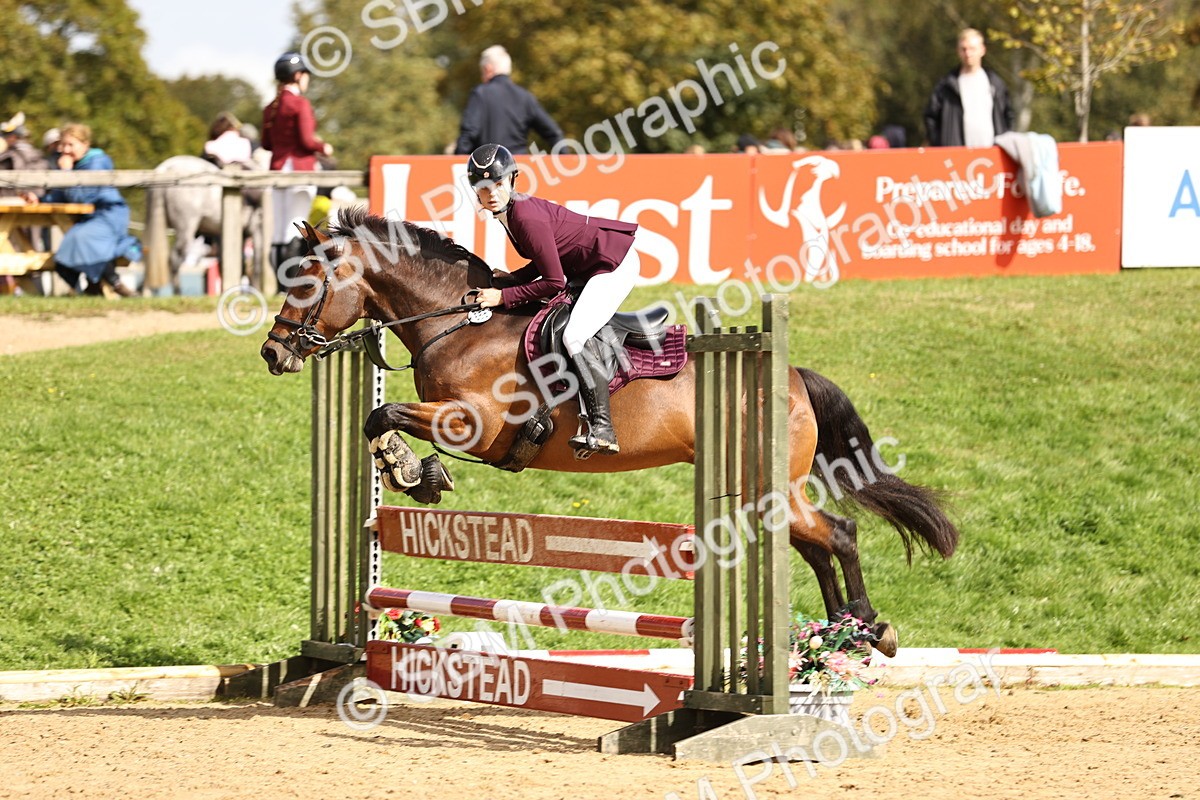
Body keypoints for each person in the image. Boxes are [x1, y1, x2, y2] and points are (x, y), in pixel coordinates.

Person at [468, 143, 639, 455]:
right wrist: (516, 278)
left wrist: (502, 297)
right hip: (587, 265)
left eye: (497, 184)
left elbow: (552, 281)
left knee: (574, 335)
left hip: (614, 264)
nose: (491, 193)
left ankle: (603, 427)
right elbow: (547, 258)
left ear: (511, 181)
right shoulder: (511, 212)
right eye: (482, 188)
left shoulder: (525, 217)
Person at [19, 123, 139, 297]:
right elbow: (60, 195)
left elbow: (81, 198)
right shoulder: (72, 163)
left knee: (81, 239)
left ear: (85, 144)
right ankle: (94, 288)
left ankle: (114, 284)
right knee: (66, 254)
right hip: (88, 219)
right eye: (62, 145)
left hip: (108, 215)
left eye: (70, 145)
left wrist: (66, 171)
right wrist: (39, 199)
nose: (65, 150)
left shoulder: (97, 163)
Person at [262, 51, 333, 274]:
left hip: (277, 169)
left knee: (279, 231)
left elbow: (266, 143)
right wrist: (323, 147)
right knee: (296, 225)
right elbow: (306, 140)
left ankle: (279, 284)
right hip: (298, 168)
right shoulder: (299, 104)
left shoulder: (270, 108)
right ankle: (291, 282)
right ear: (298, 75)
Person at [453, 46, 563, 156]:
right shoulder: (525, 97)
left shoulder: (481, 94)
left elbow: (469, 133)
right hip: (520, 167)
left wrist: (457, 161)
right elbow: (554, 133)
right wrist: (566, 160)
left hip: (488, 167)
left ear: (488, 68)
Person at [924, 28, 1013, 147]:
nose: (968, 53)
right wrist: (941, 144)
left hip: (992, 155)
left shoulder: (996, 84)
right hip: (957, 156)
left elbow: (1008, 116)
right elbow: (931, 118)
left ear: (982, 50)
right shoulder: (946, 86)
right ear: (958, 51)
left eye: (972, 49)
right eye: (963, 49)